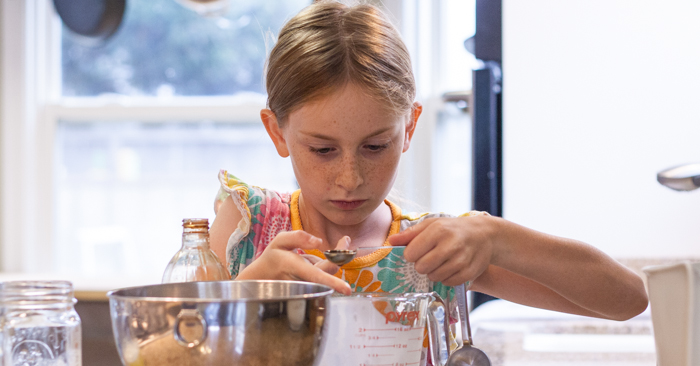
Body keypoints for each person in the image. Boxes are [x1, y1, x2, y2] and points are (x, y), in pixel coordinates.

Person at [210, 0, 647, 345]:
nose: (350, 178)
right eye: (323, 149)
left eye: (375, 146)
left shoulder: (436, 254)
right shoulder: (246, 226)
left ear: (409, 127)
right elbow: (159, 352)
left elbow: (628, 299)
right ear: (277, 132)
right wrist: (244, 294)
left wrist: (497, 238)